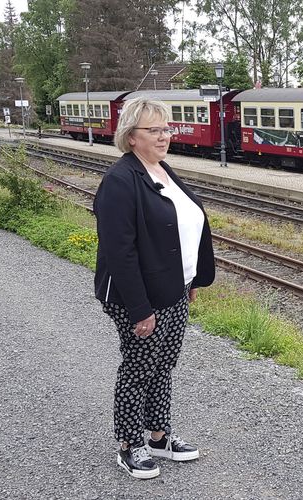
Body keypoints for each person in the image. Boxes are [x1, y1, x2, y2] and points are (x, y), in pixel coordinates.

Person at [93, 96, 215, 479]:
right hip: (138, 296)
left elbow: (179, 230)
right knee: (139, 367)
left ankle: (159, 436)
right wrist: (140, 309)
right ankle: (130, 444)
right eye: (155, 130)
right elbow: (120, 253)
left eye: (167, 128)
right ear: (131, 136)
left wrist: (189, 278)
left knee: (163, 365)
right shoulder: (119, 181)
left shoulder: (162, 169)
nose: (165, 136)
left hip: (173, 288)